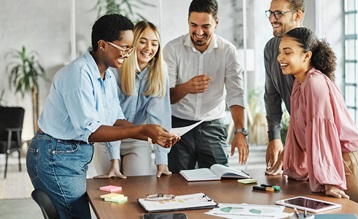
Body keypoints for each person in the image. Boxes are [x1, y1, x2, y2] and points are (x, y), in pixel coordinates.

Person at [26, 14, 179, 219]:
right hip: (55, 155)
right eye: (124, 47)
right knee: (77, 216)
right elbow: (91, 130)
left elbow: (115, 119)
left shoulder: (105, 75)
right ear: (102, 45)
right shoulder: (79, 74)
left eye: (130, 48)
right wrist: (142, 129)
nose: (128, 53)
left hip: (70, 154)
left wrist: (153, 135)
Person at [268, 27, 358, 210]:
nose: (280, 57)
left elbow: (323, 134)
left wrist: (329, 180)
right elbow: (298, 131)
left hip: (352, 166)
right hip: (338, 164)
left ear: (307, 56)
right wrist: (288, 162)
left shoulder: (315, 83)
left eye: (287, 52)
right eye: (280, 52)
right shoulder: (300, 84)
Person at [163, 0, 249, 174]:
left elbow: (235, 93)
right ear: (187, 21)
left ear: (216, 23)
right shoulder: (172, 49)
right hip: (178, 126)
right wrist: (186, 87)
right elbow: (166, 98)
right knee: (177, 184)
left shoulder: (228, 51)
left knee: (220, 182)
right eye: (193, 25)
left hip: (212, 126)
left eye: (206, 26)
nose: (199, 32)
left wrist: (240, 131)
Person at [91, 21, 172, 178]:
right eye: (142, 42)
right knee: (111, 190)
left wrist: (162, 161)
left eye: (154, 44)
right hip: (107, 138)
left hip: (137, 139)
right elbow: (110, 118)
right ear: (132, 44)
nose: (149, 48)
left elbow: (159, 117)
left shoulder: (160, 72)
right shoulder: (115, 69)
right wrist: (114, 160)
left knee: (138, 187)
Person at [264, 0, 305, 174]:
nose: (272, 19)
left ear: (297, 16)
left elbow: (316, 116)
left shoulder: (312, 50)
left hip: (319, 142)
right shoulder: (271, 48)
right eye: (270, 13)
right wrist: (274, 137)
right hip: (298, 138)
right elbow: (271, 96)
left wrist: (291, 147)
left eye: (279, 13)